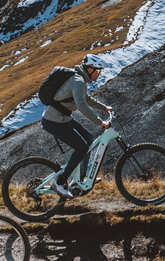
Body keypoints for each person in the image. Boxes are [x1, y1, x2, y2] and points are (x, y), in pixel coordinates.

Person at [39, 57, 112, 197]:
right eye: (98, 71)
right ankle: (59, 182)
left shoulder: (80, 79)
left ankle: (83, 177)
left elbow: (87, 99)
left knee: (89, 138)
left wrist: (104, 108)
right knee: (82, 147)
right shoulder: (78, 81)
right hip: (54, 120)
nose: (100, 74)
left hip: (62, 118)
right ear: (90, 70)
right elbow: (82, 106)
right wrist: (100, 122)